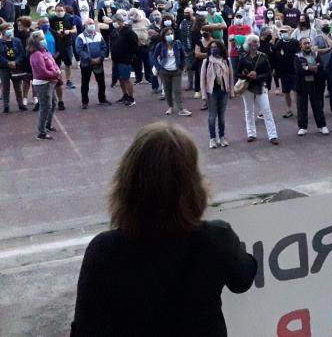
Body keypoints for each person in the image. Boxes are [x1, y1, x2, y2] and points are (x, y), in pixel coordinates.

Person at [70, 122, 257, 336]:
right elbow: (243, 278)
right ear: (193, 184)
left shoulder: (104, 250)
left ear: (128, 181)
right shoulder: (217, 239)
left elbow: (85, 329)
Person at [237, 34, 279, 145]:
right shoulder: (243, 58)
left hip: (260, 85)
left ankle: (273, 135)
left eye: (256, 42)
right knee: (249, 110)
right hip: (247, 87)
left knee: (266, 110)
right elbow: (237, 73)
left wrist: (257, 76)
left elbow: (268, 73)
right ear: (248, 44)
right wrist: (247, 76)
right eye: (252, 42)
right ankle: (251, 133)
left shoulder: (263, 56)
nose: (254, 44)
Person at [200, 40, 233, 148]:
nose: (214, 49)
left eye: (216, 47)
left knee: (222, 116)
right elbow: (202, 79)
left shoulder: (226, 61)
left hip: (223, 91)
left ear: (221, 48)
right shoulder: (207, 62)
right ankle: (212, 138)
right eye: (212, 47)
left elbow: (231, 77)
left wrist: (231, 91)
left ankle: (222, 137)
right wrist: (204, 95)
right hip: (212, 92)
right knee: (212, 116)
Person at [28, 31, 60, 140]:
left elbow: (53, 62)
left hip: (50, 82)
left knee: (53, 103)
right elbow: (42, 72)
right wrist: (55, 73)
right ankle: (41, 132)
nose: (44, 41)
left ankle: (48, 125)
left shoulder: (45, 51)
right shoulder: (36, 55)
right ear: (36, 42)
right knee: (45, 107)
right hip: (43, 84)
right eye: (42, 39)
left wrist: (57, 69)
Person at [153, 27, 192, 117]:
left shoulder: (177, 43)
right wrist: (159, 68)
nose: (170, 36)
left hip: (176, 71)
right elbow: (154, 57)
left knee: (177, 90)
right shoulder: (160, 45)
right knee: (167, 90)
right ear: (163, 36)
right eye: (167, 34)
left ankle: (181, 108)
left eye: (171, 34)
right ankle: (170, 107)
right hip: (164, 71)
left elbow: (183, 55)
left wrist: (182, 67)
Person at [294, 37, 329, 136]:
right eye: (305, 43)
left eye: (308, 43)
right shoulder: (297, 56)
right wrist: (310, 68)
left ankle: (322, 126)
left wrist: (307, 68)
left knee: (317, 105)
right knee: (302, 106)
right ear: (301, 45)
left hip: (315, 83)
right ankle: (302, 127)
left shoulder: (316, 54)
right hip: (302, 84)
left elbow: (320, 67)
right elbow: (299, 70)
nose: (307, 45)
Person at [75, 19, 110, 109]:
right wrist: (89, 59)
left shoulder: (98, 35)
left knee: (101, 82)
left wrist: (101, 57)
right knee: (85, 83)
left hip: (99, 62)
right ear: (85, 25)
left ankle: (102, 99)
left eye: (93, 23)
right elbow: (79, 50)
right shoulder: (80, 37)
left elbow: (104, 47)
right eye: (89, 23)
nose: (92, 25)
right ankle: (85, 101)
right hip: (86, 64)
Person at [109, 14, 138, 107]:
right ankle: (125, 95)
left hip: (125, 59)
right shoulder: (114, 31)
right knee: (120, 78)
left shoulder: (128, 32)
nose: (113, 23)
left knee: (126, 79)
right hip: (116, 59)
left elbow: (134, 45)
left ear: (120, 21)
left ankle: (131, 97)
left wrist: (131, 56)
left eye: (115, 21)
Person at [0, 23, 28, 113]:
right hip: (4, 68)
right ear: (2, 31)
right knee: (5, 87)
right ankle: (6, 106)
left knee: (18, 87)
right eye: (7, 29)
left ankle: (20, 104)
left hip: (16, 67)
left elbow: (21, 53)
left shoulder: (17, 41)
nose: (10, 30)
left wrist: (15, 62)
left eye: (11, 28)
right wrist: (7, 62)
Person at [273, 28, 300, 118]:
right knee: (286, 91)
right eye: (282, 32)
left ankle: (299, 109)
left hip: (294, 70)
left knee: (295, 90)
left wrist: (285, 55)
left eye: (286, 32)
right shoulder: (279, 43)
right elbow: (276, 56)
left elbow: (298, 54)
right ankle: (289, 110)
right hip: (284, 70)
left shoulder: (295, 42)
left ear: (290, 32)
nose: (284, 33)